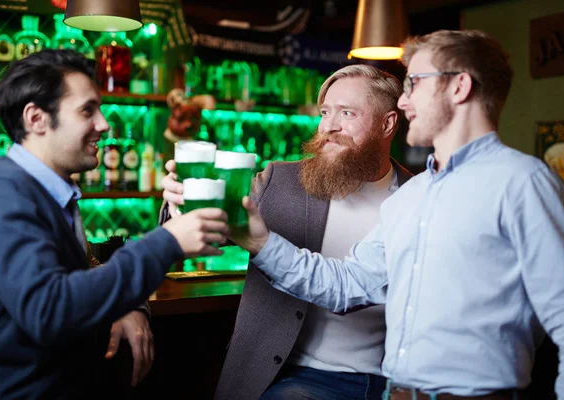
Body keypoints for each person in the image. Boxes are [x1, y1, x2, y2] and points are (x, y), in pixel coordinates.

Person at [232, 29, 564, 400]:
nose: (402, 103)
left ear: (459, 87)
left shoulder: (523, 183)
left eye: (414, 83)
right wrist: (260, 242)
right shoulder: (411, 196)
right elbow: (347, 284)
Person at [159, 64, 412, 399]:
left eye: (347, 113)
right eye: (325, 112)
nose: (328, 127)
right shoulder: (281, 182)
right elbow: (194, 235)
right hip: (299, 375)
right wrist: (180, 206)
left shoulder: (418, 196)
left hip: (395, 379)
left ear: (388, 123)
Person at [0, 49, 228, 399]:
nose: (104, 123)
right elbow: (49, 308)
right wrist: (165, 242)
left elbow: (78, 280)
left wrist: (127, 304)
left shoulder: (48, 190)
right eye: (88, 110)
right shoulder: (4, 194)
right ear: (36, 118)